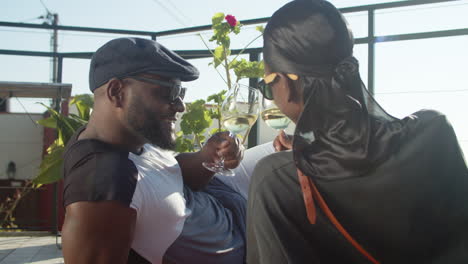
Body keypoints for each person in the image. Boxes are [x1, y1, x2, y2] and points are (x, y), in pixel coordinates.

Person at [247, 1, 468, 264]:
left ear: (288, 85)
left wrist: (288, 166)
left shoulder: (275, 183)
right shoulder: (434, 132)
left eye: (268, 86)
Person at [61, 37, 274, 264]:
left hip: (227, 202)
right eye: (170, 92)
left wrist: (207, 156)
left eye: (181, 93)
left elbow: (167, 175)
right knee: (294, 171)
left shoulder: (129, 139)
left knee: (296, 150)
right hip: (250, 244)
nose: (181, 105)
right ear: (116, 92)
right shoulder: (103, 181)